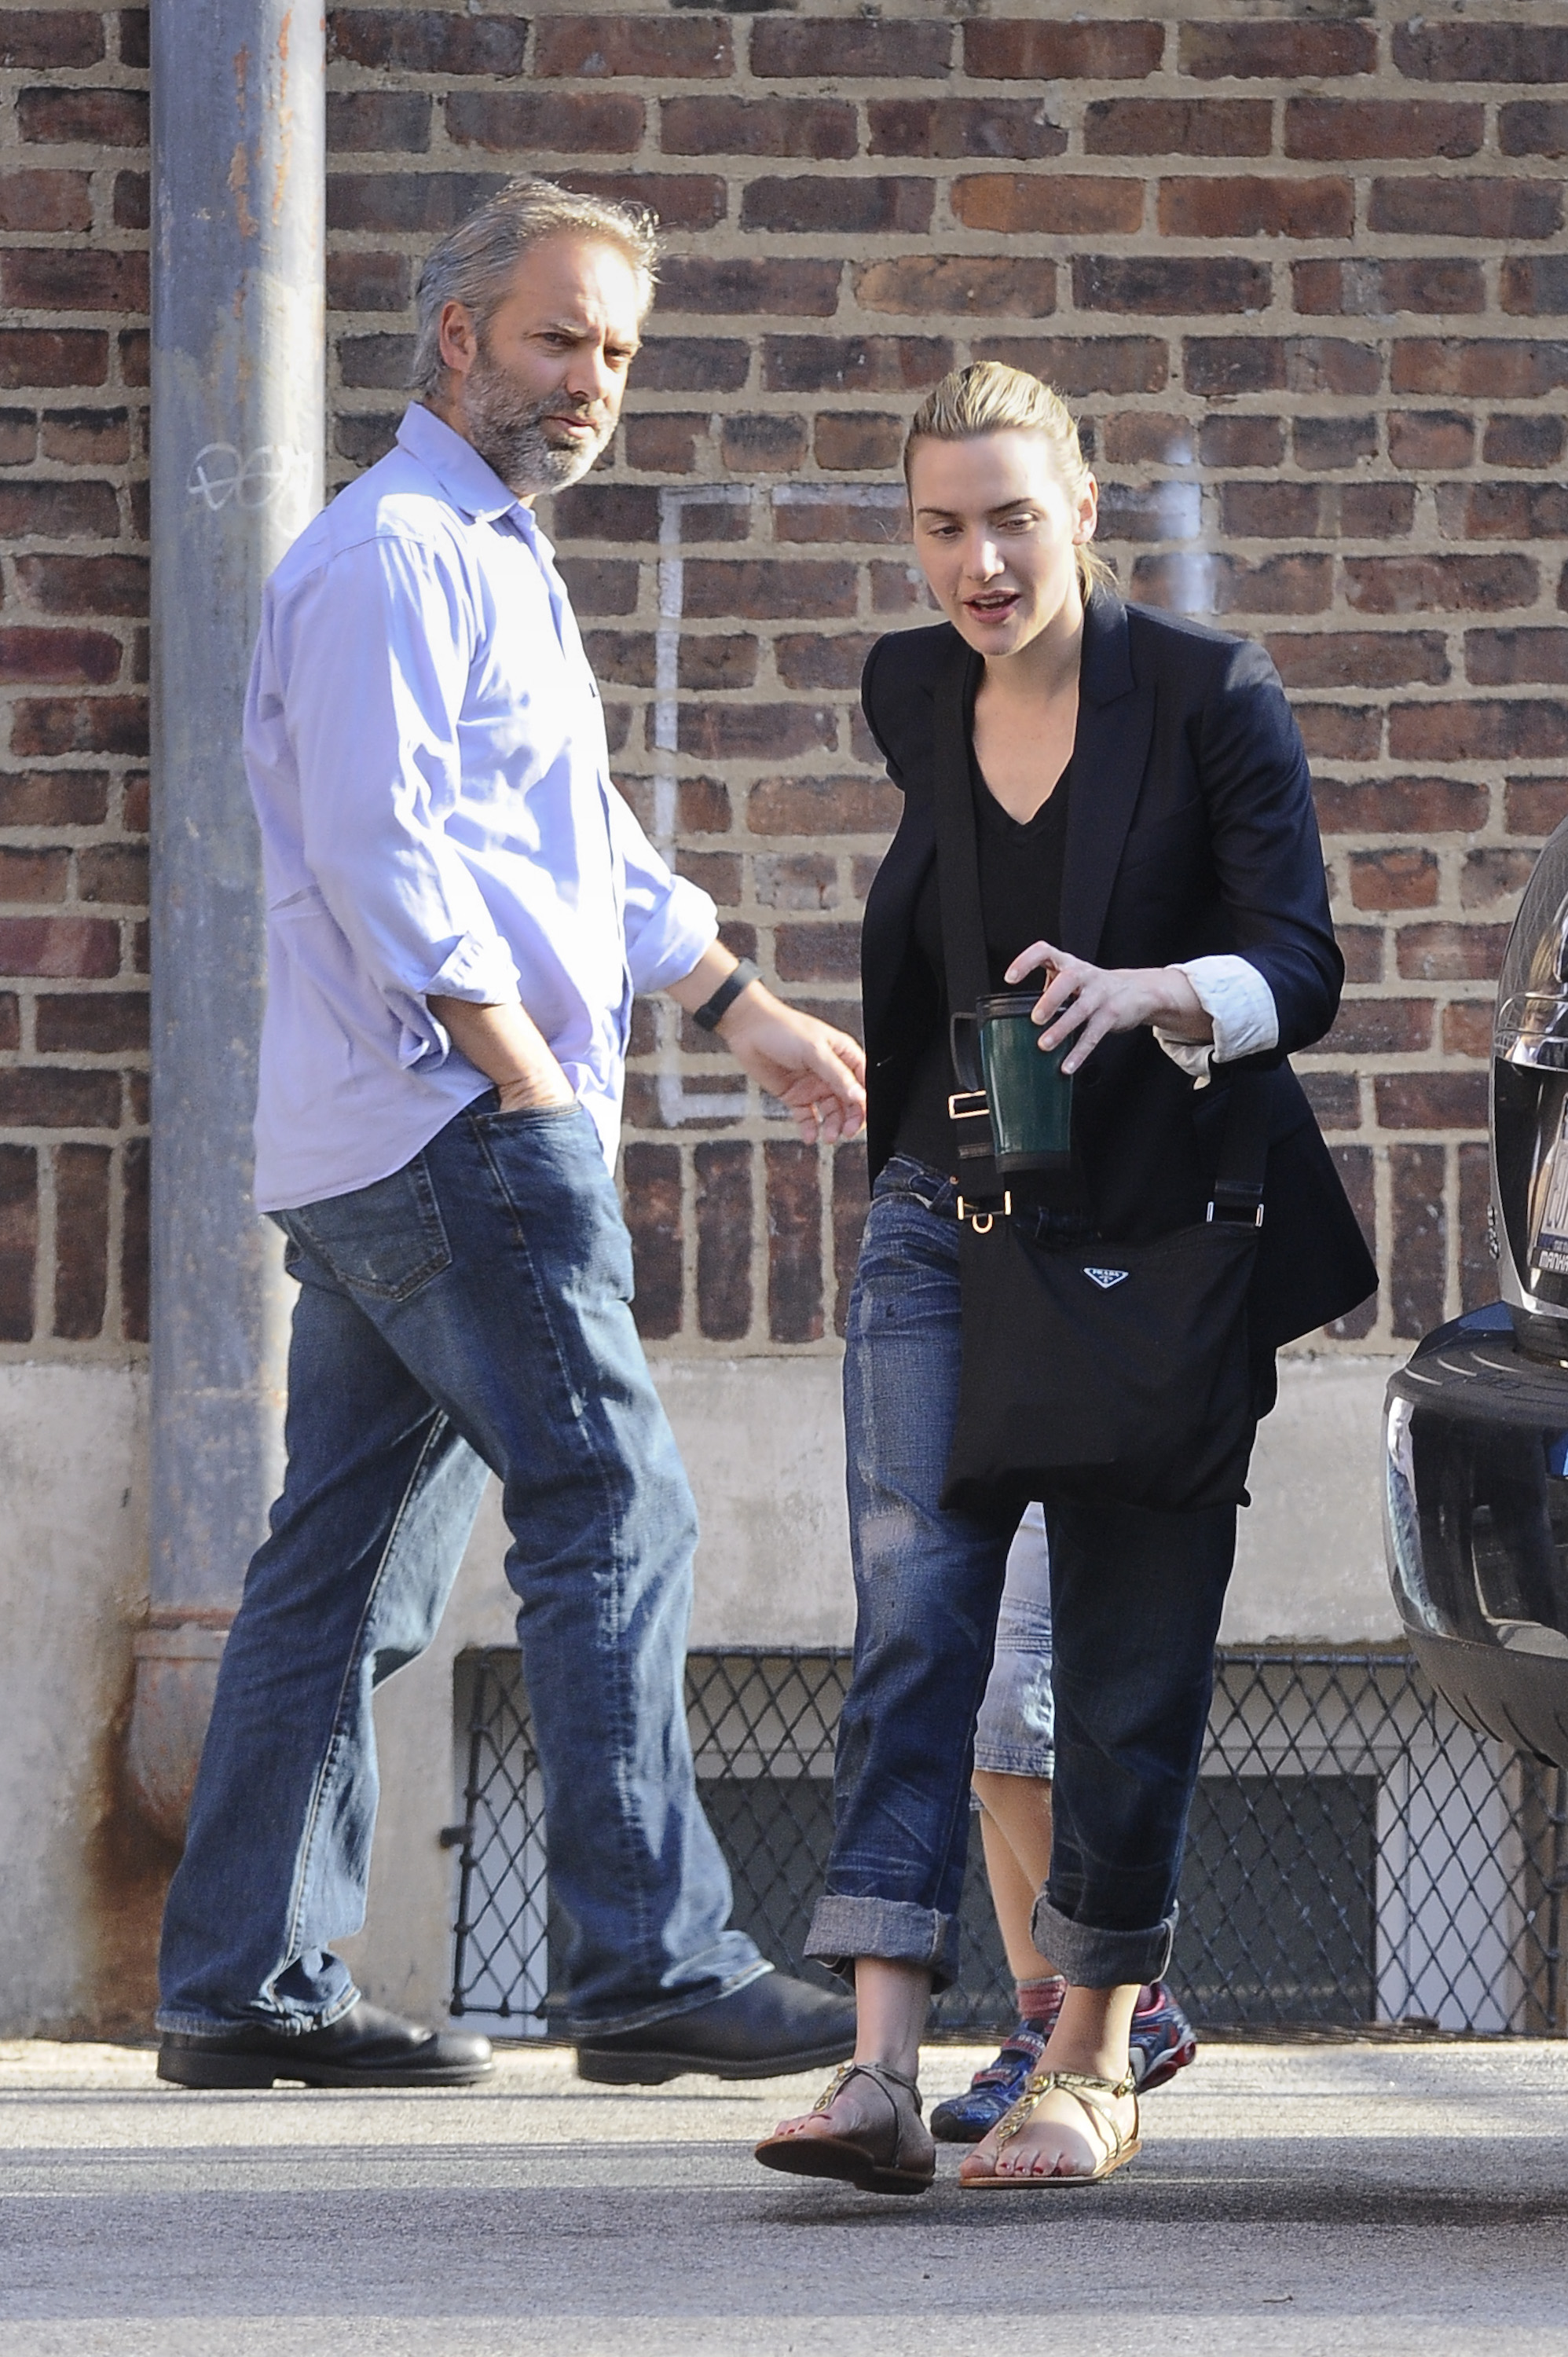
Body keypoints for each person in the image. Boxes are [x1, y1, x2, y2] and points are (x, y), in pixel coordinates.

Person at [155, 177, 867, 2093]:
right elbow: (387, 845)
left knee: (347, 1568)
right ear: (458, 333)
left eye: (617, 351)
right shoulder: (397, 552)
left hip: (382, 1138)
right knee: (613, 1502)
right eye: (561, 335)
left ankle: (243, 1980)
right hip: (454, 1126)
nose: (591, 381)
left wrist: (740, 999)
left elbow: (574, 849)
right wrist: (511, 1061)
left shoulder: (480, 552)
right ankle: (646, 1963)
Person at [756, 361, 1375, 2194]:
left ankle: (1089, 2050)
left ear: (1085, 508)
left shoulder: (1204, 694)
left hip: (1163, 1246)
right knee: (918, 1617)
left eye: (1013, 516)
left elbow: (1305, 963)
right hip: (948, 1222)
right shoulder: (910, 689)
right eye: (941, 524)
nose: (978, 560)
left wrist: (1160, 992)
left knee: (1121, 1652)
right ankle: (874, 2061)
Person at [926, 1505, 1197, 2145]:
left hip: (1073, 1433)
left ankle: (1126, 1994)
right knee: (985, 1735)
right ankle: (1049, 2010)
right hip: (987, 1442)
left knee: (1006, 1713)